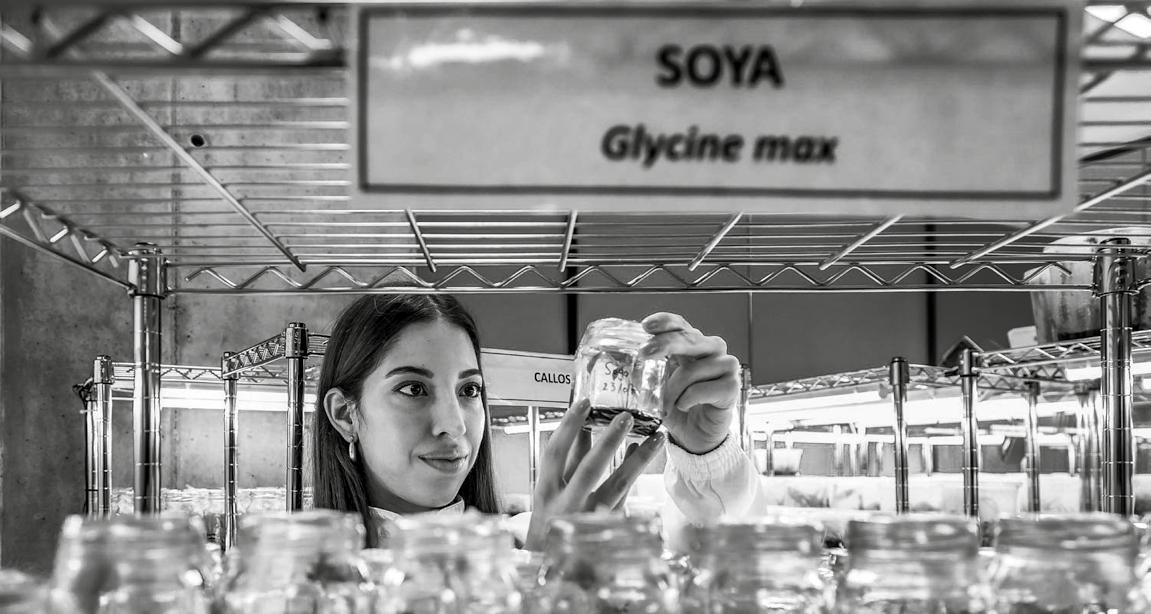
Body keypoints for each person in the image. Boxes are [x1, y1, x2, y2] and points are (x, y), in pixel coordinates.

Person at [312, 294, 761, 549]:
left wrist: (705, 452)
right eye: (413, 389)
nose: (455, 425)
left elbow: (718, 549)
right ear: (345, 414)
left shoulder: (522, 540)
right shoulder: (293, 579)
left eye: (469, 391)